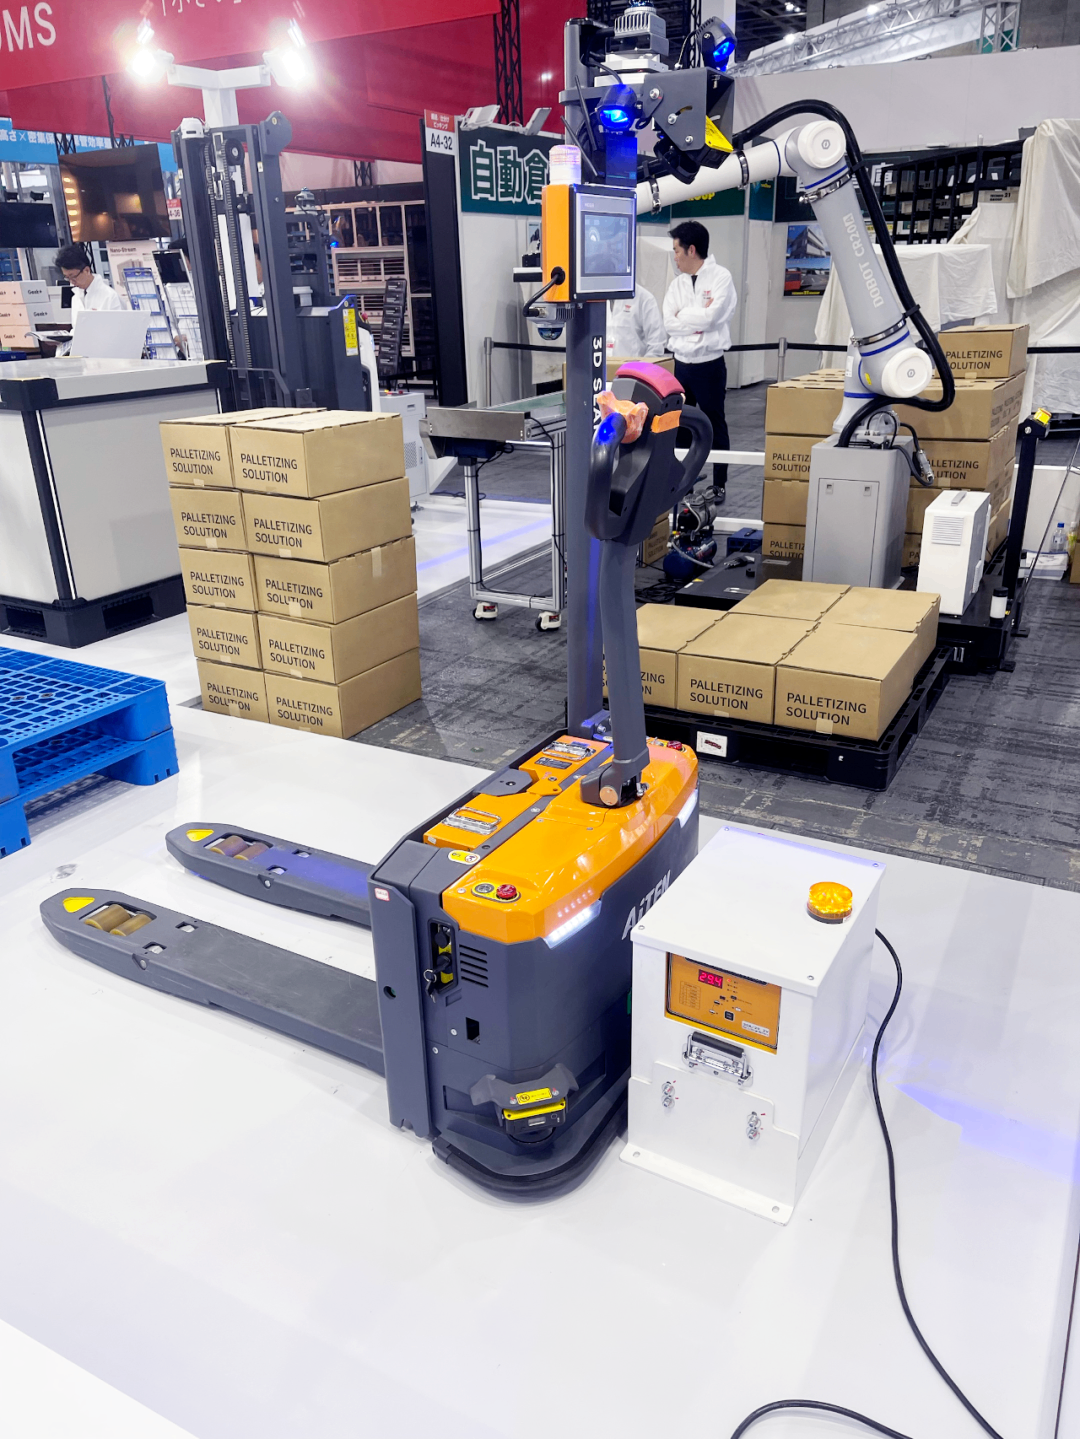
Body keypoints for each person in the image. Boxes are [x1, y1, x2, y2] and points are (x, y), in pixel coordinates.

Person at [663, 220, 737, 498]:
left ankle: (719, 484)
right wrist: (698, 321)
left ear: (691, 250)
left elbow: (713, 318)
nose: (675, 258)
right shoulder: (677, 285)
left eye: (677, 251)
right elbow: (669, 322)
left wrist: (686, 316)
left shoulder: (721, 278)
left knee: (715, 423)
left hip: (709, 364)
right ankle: (685, 484)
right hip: (682, 364)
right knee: (680, 424)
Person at [55, 244, 124, 312]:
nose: (72, 282)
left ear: (87, 270)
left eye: (73, 277)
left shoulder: (110, 296)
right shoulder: (76, 298)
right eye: (67, 278)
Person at [607, 284, 667, 362]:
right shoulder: (594, 295)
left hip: (633, 367)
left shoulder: (644, 298)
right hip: (599, 366)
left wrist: (642, 367)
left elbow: (657, 343)